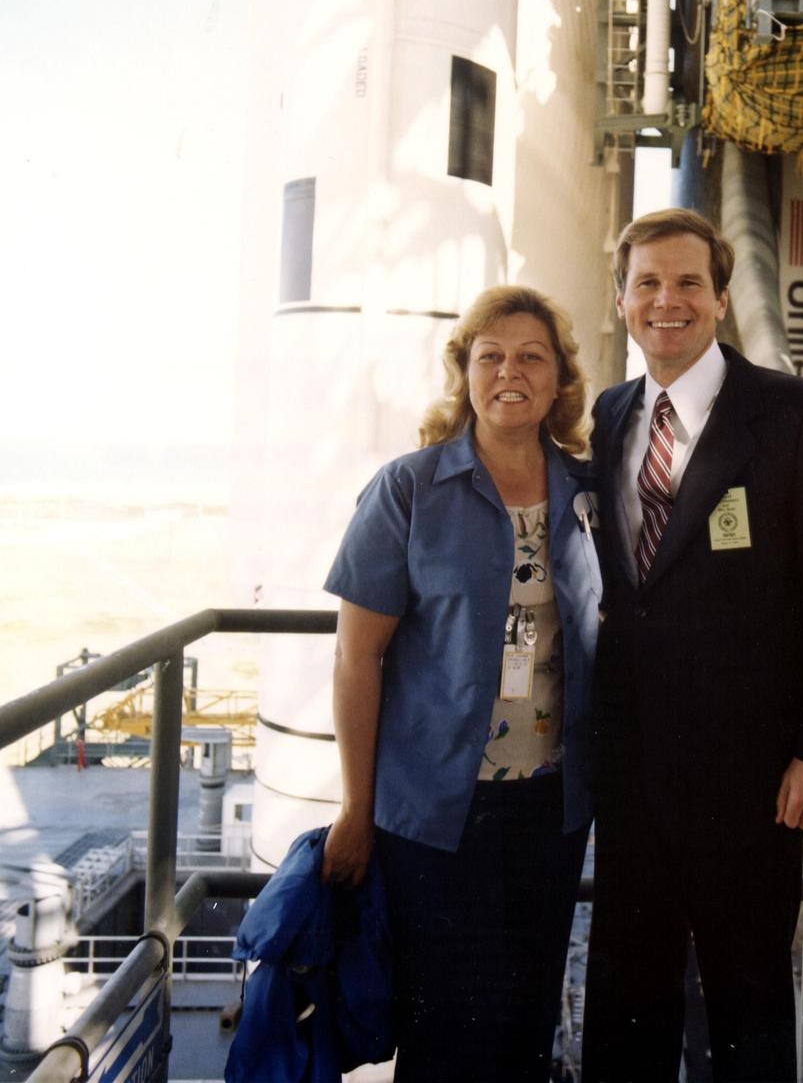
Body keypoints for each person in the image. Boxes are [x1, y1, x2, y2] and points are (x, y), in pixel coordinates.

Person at [582, 208, 803, 1082]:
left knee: (748, 1004)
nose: (664, 302)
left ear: (718, 299)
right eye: (646, 284)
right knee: (624, 1004)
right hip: (631, 778)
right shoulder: (609, 416)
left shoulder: (797, 416)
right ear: (623, 300)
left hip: (750, 784)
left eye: (685, 284)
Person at [320, 285, 601, 1082]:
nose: (509, 372)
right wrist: (354, 809)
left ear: (556, 381)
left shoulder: (585, 494)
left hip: (550, 807)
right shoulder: (408, 489)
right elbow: (356, 660)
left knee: (524, 1021)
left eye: (530, 357)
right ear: (466, 374)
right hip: (437, 815)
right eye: (491, 357)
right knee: (445, 1031)